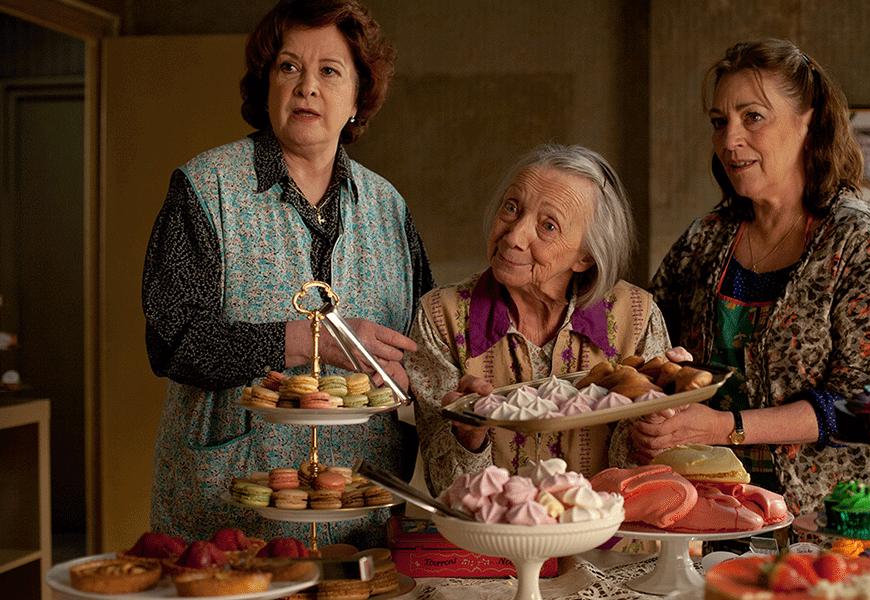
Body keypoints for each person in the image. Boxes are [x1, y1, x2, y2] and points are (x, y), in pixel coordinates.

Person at [142, 0, 433, 546]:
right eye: (289, 67)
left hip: (359, 511)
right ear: (267, 85)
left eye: (329, 70)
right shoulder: (205, 189)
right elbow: (173, 340)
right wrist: (307, 340)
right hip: (226, 511)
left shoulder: (389, 207)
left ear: (357, 96)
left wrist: (410, 377)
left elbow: (423, 344)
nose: (307, 87)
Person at [641, 39, 870, 516]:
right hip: (717, 510)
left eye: (753, 117)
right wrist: (658, 379)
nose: (730, 141)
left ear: (808, 121)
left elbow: (861, 398)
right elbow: (644, 339)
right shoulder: (704, 240)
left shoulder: (859, 237)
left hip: (841, 517)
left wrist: (723, 426)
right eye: (719, 122)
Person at [405, 144, 688, 496]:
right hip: (495, 546)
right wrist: (468, 436)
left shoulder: (635, 314)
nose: (514, 236)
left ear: (585, 256)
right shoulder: (441, 315)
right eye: (512, 208)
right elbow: (444, 484)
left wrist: (657, 420)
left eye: (548, 226)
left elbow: (643, 478)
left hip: (610, 546)